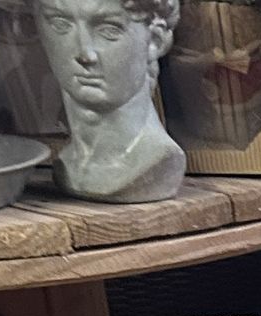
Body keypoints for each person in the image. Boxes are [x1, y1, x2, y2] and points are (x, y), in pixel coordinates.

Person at [38, 0, 185, 202]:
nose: (85, 54)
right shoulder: (67, 163)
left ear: (155, 41)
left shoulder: (158, 159)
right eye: (61, 24)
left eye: (109, 30)